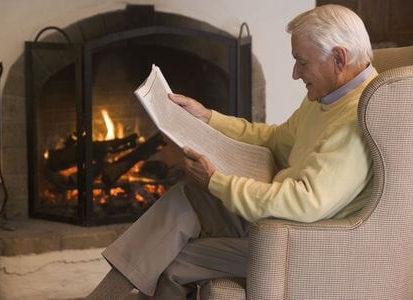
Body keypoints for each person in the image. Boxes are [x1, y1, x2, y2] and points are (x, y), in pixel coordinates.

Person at [86, 4, 377, 300]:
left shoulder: (356, 119)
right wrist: (209, 117)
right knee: (188, 197)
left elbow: (305, 203)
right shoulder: (328, 96)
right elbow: (277, 138)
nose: (295, 73)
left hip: (296, 243)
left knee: (172, 260)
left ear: (339, 58)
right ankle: (105, 295)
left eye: (302, 62)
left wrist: (216, 180)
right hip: (274, 222)